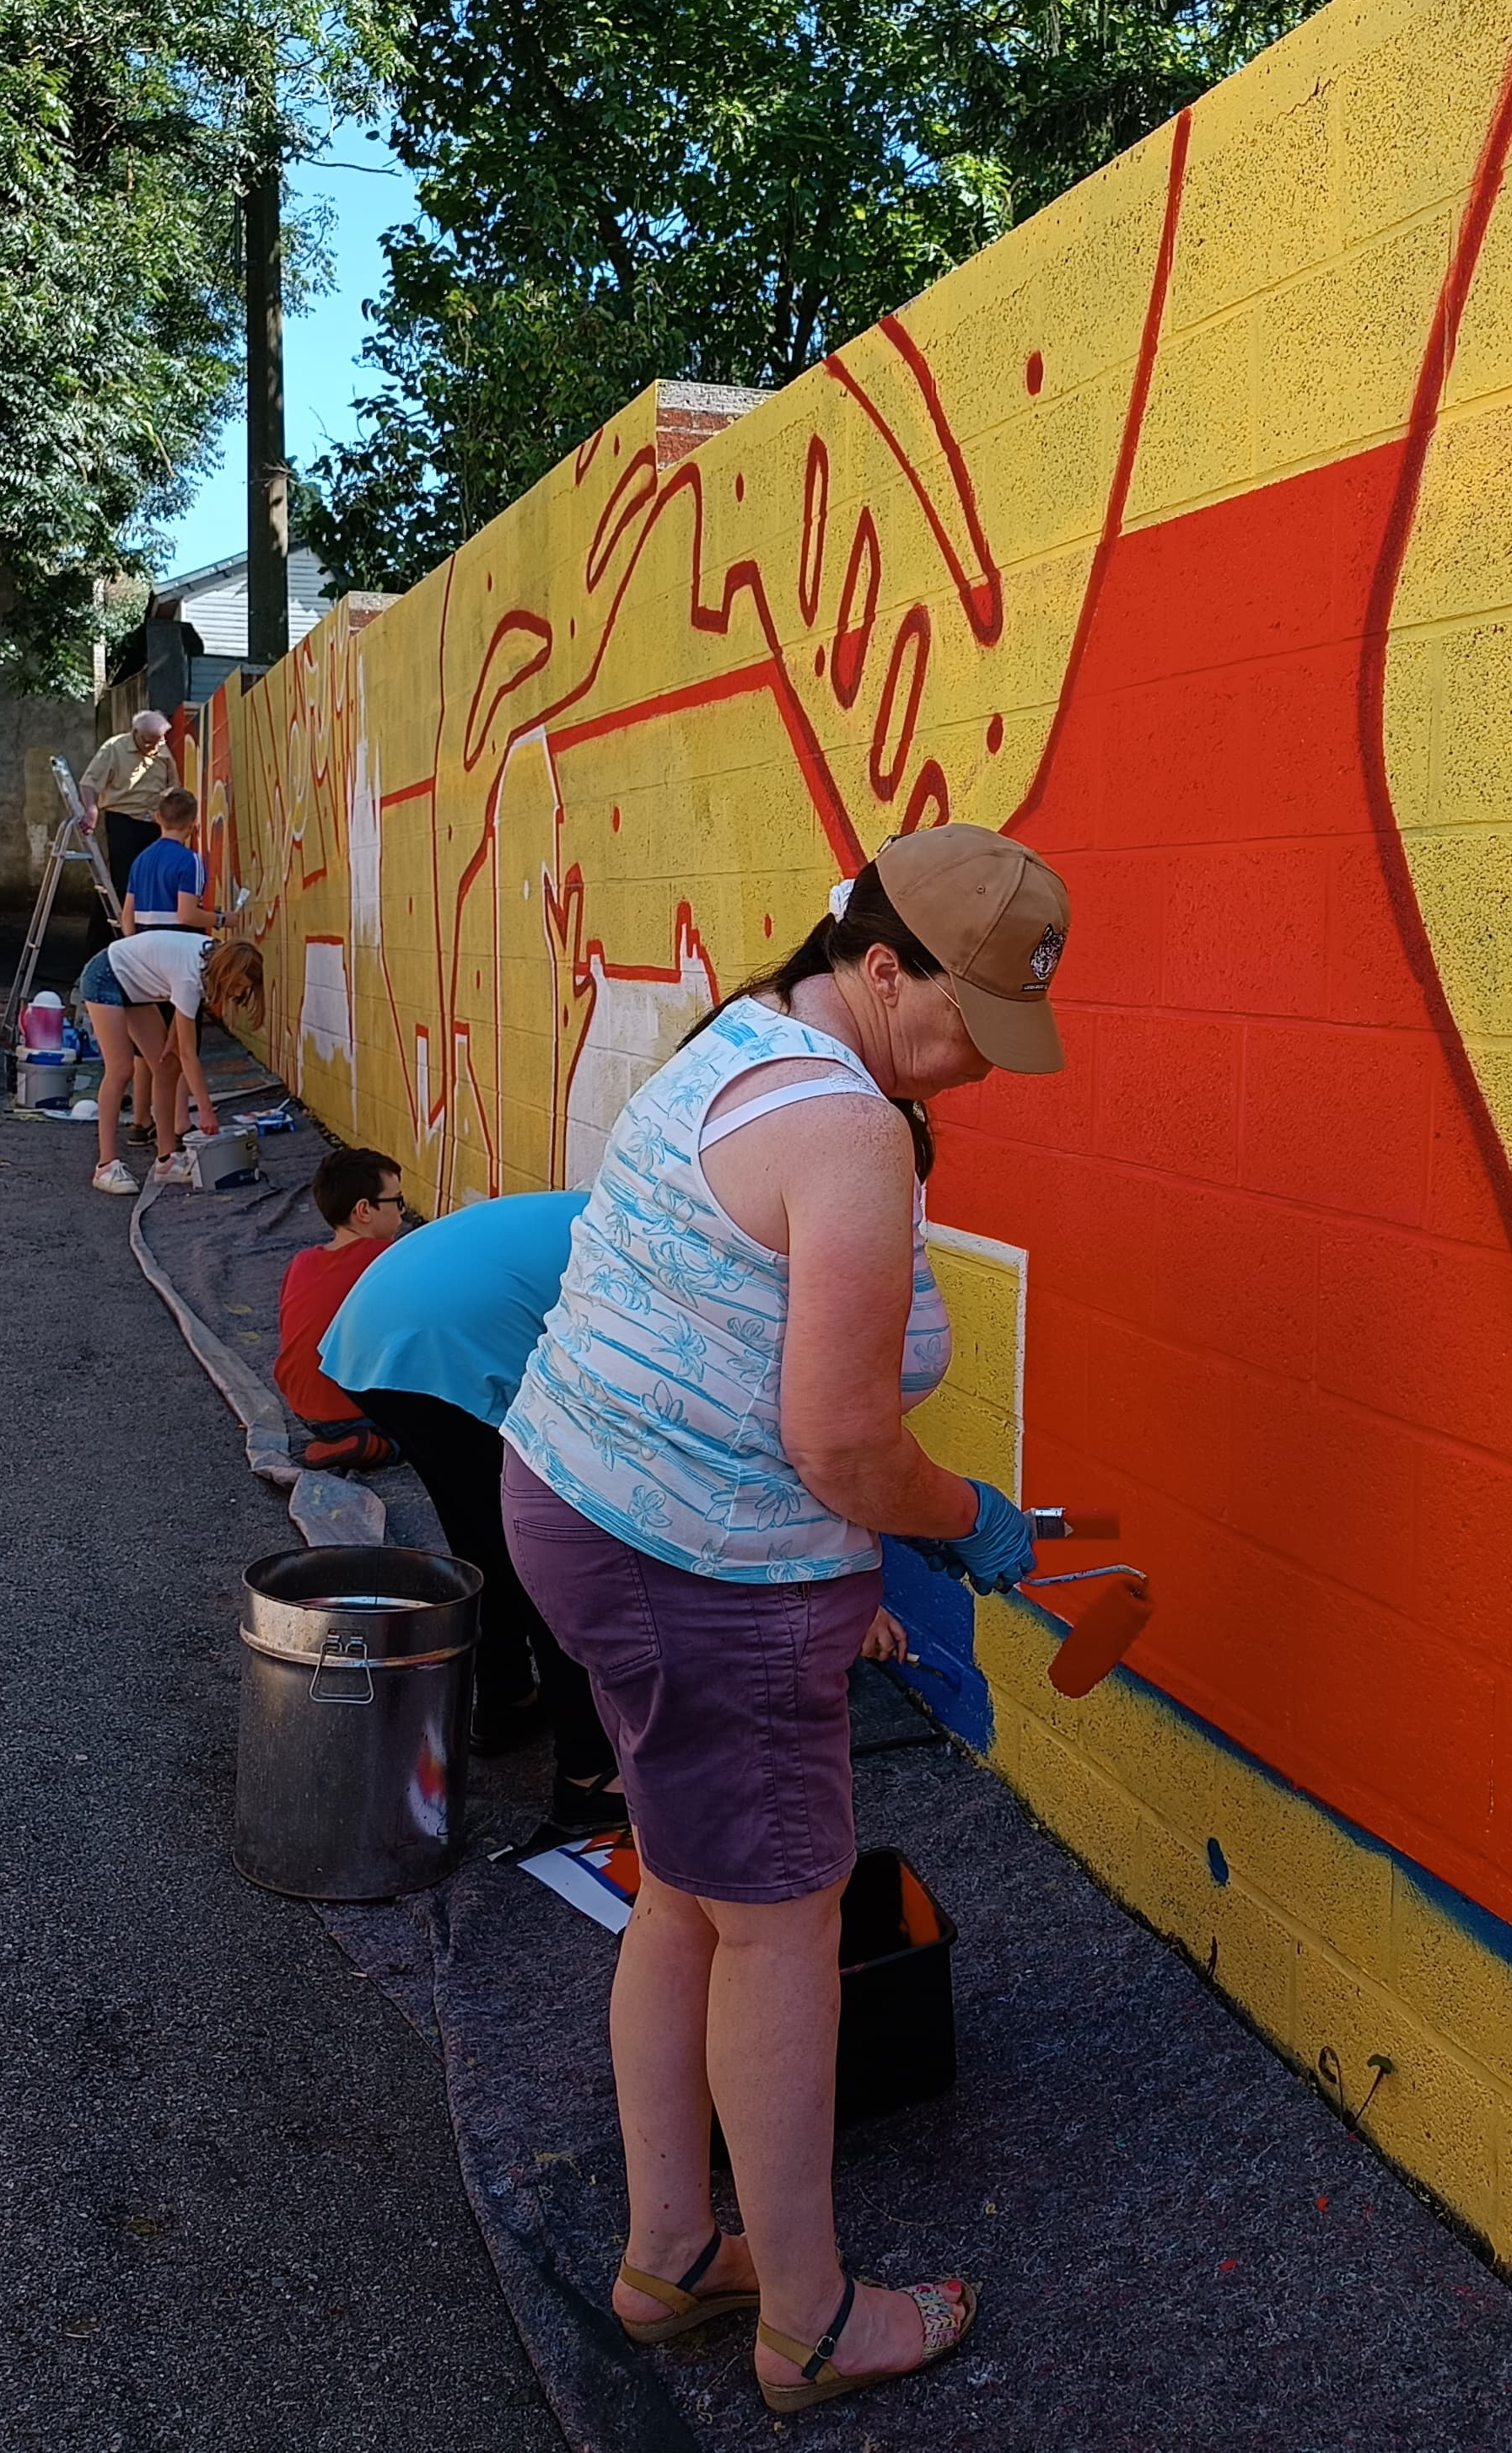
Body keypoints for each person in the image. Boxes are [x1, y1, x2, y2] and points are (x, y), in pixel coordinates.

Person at [498, 823, 1068, 2413]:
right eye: (966, 1025)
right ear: (879, 970)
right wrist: (972, 1528)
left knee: (686, 1893)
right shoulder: (850, 1132)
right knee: (777, 1926)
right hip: (706, 1575)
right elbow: (837, 1442)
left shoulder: (743, 1042)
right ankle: (807, 2320)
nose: (979, 1070)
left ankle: (674, 2251)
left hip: (583, 1511)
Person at [320, 1187, 622, 1832]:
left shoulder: (610, 1207)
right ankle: (588, 1771)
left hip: (368, 1342)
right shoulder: (660, 1254)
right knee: (547, 1551)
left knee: (479, 1530)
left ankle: (506, 1699)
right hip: (435, 1353)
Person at [78, 930, 261, 1194]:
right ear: (228, 972)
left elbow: (181, 1013)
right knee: (121, 1069)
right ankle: (105, 1165)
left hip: (135, 987)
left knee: (167, 1065)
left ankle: (166, 1160)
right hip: (105, 976)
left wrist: (172, 1039)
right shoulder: (191, 974)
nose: (239, 992)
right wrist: (205, 1109)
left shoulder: (209, 961)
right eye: (239, 985)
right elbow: (189, 1053)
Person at [277, 1146, 406, 1471]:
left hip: (305, 1411)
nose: (403, 1213)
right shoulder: (387, 1259)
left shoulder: (301, 1262)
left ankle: (342, 1441)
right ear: (364, 1210)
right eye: (398, 1202)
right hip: (355, 1412)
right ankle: (376, 1446)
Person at [76, 710, 175, 952]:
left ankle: (140, 945)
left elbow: (174, 785)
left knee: (149, 883)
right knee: (121, 884)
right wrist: (91, 809)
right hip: (123, 820)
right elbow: (89, 782)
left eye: (160, 741)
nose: (154, 747)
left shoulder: (162, 749)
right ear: (136, 734)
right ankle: (106, 947)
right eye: (149, 742)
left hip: (154, 823)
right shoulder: (115, 748)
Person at [123, 786, 213, 932]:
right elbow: (187, 915)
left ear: (158, 817)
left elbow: (127, 917)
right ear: (193, 824)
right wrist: (221, 919)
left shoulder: (141, 859)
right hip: (179, 945)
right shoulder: (190, 860)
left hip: (144, 944)